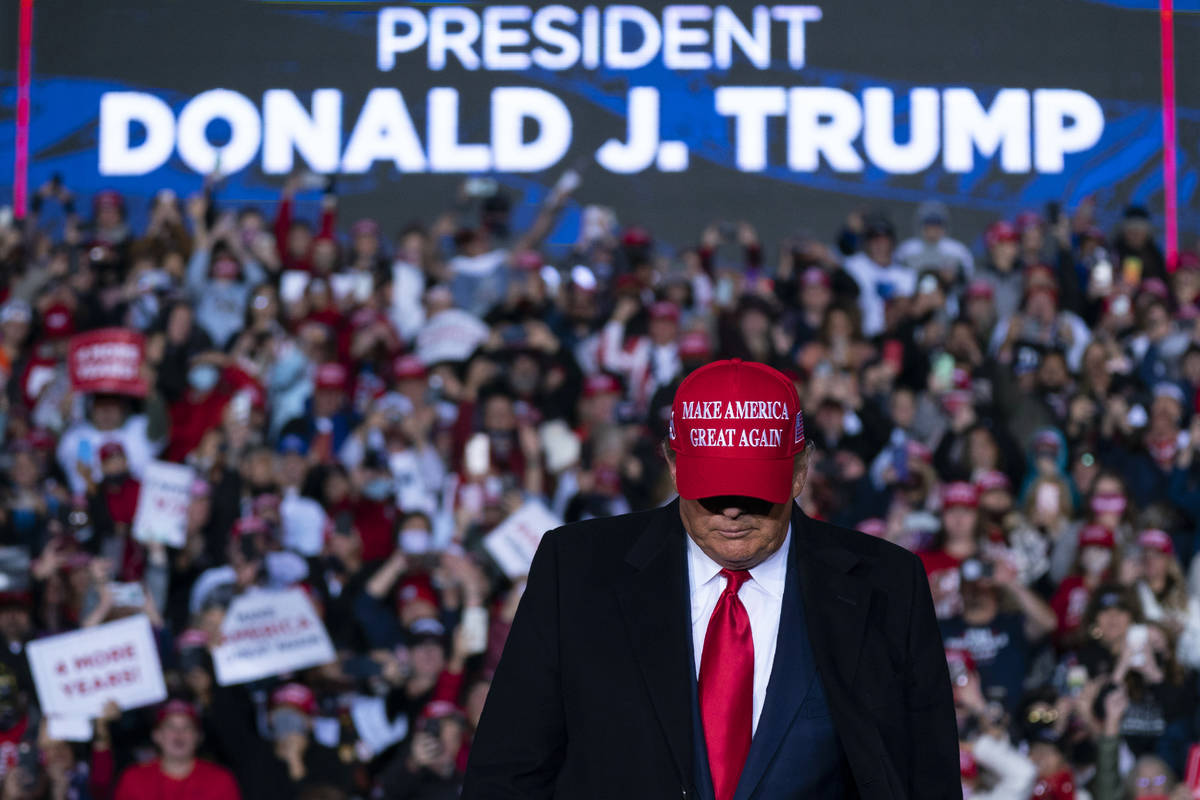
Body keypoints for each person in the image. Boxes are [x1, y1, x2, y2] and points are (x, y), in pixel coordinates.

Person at [463, 359, 959, 799]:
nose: (734, 510)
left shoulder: (888, 584)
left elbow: (925, 776)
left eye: (754, 490)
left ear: (800, 471)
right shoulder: (575, 569)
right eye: (713, 491)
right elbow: (508, 772)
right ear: (675, 465)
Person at [113, 698, 241, 800]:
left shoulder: (221, 780)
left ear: (199, 736)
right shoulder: (133, 780)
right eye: (171, 727)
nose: (179, 734)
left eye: (187, 728)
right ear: (156, 735)